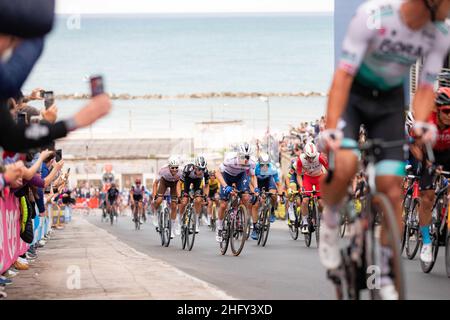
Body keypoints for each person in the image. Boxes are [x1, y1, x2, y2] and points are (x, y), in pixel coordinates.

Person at [319, 0, 450, 299]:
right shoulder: (374, 15)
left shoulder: (441, 32)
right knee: (346, 163)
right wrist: (330, 127)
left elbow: (427, 87)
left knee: (392, 190)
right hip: (354, 98)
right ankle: (330, 218)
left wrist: (420, 123)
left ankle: (386, 272)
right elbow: (342, 76)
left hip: (389, 106)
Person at [413, 86, 450, 263]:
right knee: (427, 197)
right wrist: (426, 161)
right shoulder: (427, 120)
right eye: (446, 111)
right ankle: (426, 242)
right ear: (437, 109)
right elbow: (415, 145)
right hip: (428, 155)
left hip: (447, 153)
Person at [214, 142, 257, 242]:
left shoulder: (252, 162)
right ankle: (219, 227)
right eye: (243, 156)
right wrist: (225, 186)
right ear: (238, 155)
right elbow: (217, 172)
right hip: (227, 176)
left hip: (240, 176)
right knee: (223, 205)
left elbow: (253, 176)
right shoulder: (230, 159)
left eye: (248, 157)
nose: (246, 159)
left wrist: (256, 189)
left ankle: (242, 217)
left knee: (246, 197)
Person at [297, 141, 328, 234]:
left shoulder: (320, 157)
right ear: (305, 154)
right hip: (308, 179)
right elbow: (299, 175)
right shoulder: (300, 159)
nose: (311, 159)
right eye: (309, 157)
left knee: (321, 202)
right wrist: (302, 187)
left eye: (313, 157)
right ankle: (305, 222)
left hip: (319, 178)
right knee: (305, 200)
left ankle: (319, 217)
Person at [251, 152, 283, 240]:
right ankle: (254, 228)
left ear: (269, 164)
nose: (264, 167)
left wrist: (280, 193)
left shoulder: (273, 168)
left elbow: (278, 183)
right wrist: (255, 190)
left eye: (266, 165)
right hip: (258, 182)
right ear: (259, 163)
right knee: (256, 205)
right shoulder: (255, 168)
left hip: (269, 181)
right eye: (262, 165)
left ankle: (272, 211)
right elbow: (253, 180)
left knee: (273, 194)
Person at [152, 157, 182, 239]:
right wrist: (155, 195)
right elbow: (155, 183)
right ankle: (155, 214)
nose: (174, 170)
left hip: (174, 184)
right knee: (158, 200)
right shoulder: (163, 171)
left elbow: (181, 184)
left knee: (174, 205)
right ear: (169, 167)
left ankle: (172, 228)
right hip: (164, 182)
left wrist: (180, 195)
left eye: (176, 167)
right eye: (172, 167)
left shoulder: (180, 172)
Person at [179, 156, 209, 234]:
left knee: (198, 200)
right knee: (184, 201)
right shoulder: (188, 169)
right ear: (195, 167)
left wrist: (206, 195)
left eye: (203, 169)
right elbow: (179, 183)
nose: (201, 172)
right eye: (199, 169)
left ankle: (196, 221)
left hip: (197, 182)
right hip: (187, 182)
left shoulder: (205, 172)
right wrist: (179, 195)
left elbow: (207, 185)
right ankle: (180, 219)